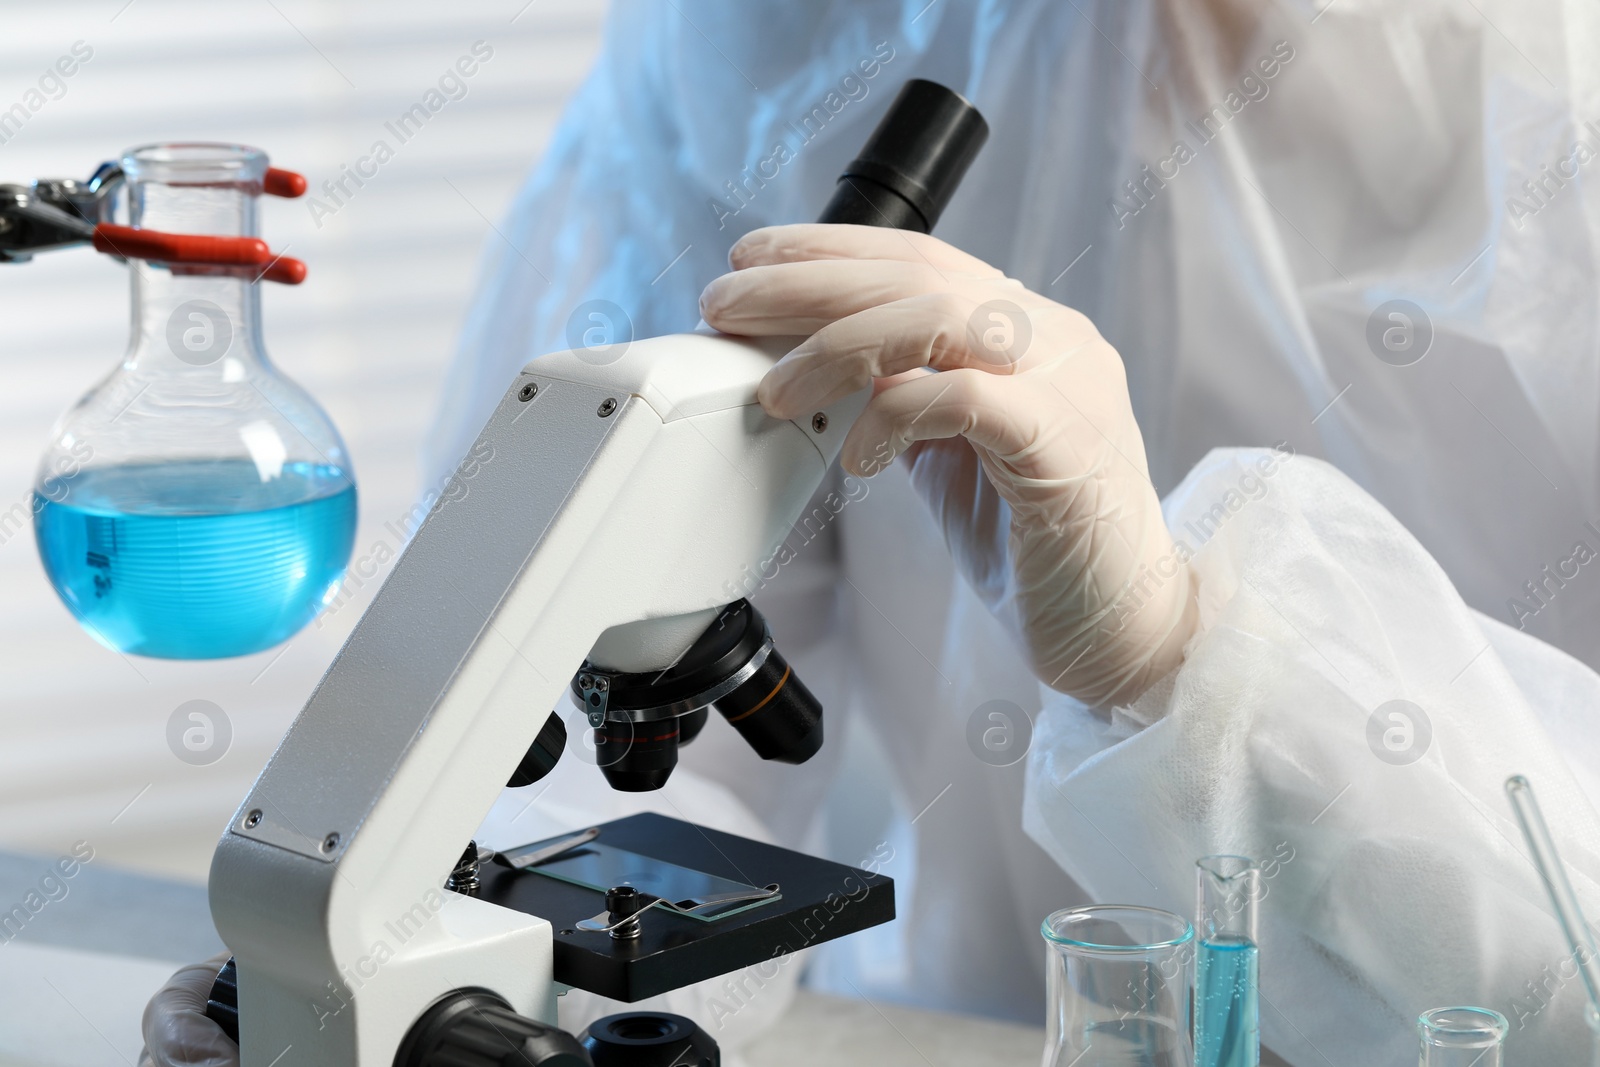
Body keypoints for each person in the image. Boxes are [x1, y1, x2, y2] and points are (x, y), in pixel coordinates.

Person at [144, 0, 1600, 1063]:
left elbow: (1564, 987)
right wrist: (375, 950)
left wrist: (1183, 654)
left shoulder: (1558, 113)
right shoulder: (761, 45)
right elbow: (614, 769)